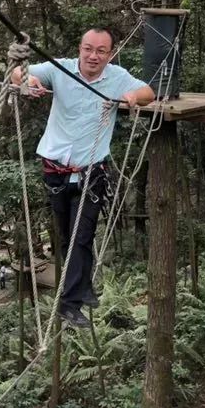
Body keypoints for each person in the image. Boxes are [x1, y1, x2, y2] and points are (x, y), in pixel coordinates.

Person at [11, 27, 154, 328]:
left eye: (101, 51)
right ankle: (84, 286)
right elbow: (18, 74)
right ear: (79, 49)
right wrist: (29, 81)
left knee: (81, 235)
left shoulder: (116, 77)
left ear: (110, 54)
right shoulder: (60, 68)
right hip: (56, 171)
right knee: (68, 236)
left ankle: (69, 302)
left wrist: (131, 96)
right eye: (88, 48)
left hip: (92, 172)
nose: (93, 55)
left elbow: (148, 91)